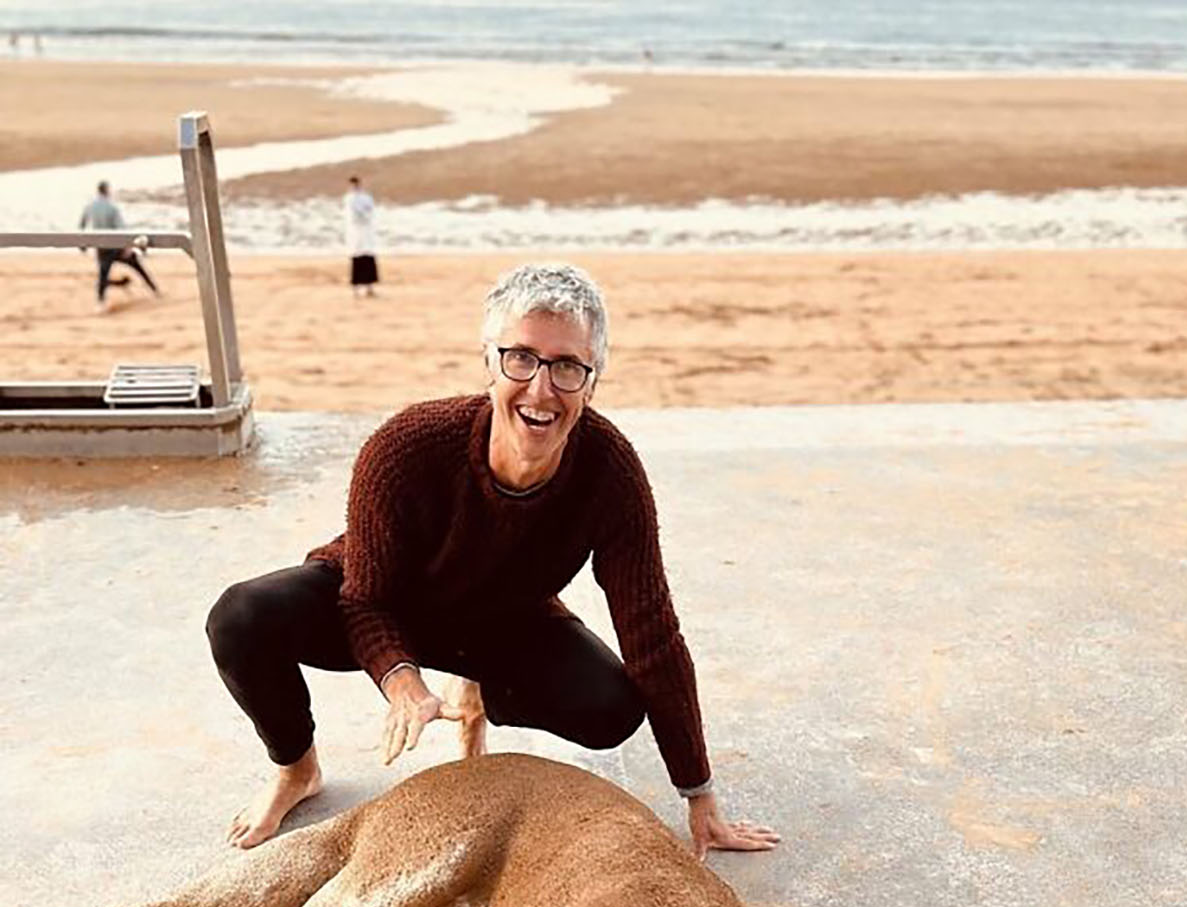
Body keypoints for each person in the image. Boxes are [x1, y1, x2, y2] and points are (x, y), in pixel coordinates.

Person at [206, 261, 778, 862]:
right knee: (242, 618)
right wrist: (401, 680)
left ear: (592, 382)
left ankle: (476, 690)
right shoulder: (407, 445)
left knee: (610, 710)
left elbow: (652, 636)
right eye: (521, 358)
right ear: (489, 363)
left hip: (502, 619)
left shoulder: (611, 473)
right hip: (391, 599)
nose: (541, 390)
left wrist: (700, 796)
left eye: (567, 366)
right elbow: (365, 598)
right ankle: (298, 770)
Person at [78, 181, 159, 313]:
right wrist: (127, 246)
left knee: (103, 274)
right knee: (137, 266)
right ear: (107, 190)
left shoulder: (90, 206)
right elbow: (121, 228)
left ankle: (100, 302)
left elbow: (82, 225)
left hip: (101, 247)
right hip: (115, 246)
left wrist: (82, 245)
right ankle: (154, 289)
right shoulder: (112, 207)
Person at [343, 174, 379, 297]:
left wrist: (365, 216)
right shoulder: (349, 198)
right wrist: (362, 215)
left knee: (368, 257)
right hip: (355, 233)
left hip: (366, 231)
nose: (355, 186)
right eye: (353, 184)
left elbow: (370, 210)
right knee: (357, 259)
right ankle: (356, 289)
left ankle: (369, 288)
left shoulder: (366, 197)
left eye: (357, 184)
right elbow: (352, 214)